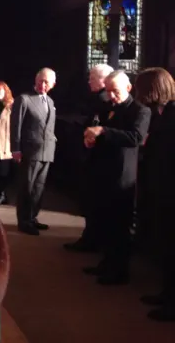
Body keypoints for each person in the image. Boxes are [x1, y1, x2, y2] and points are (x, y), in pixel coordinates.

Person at [82, 70, 150, 285]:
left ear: (129, 88)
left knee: (120, 226)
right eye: (109, 91)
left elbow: (135, 138)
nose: (111, 96)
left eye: (116, 91)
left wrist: (103, 131)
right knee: (105, 221)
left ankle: (119, 271)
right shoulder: (109, 107)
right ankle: (106, 263)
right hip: (104, 173)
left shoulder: (140, 110)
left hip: (123, 176)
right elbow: (102, 132)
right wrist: (92, 139)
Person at [133, 67, 175, 320]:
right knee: (165, 247)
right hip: (161, 189)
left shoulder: (172, 116)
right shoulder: (163, 114)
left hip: (170, 191)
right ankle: (166, 294)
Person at [65, 64, 114, 252]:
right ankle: (91, 238)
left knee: (93, 203)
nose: (88, 81)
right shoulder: (100, 99)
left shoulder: (103, 100)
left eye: (92, 78)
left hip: (95, 159)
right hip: (94, 157)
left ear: (103, 80)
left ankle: (91, 240)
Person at [10, 68, 57, 236]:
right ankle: (24, 221)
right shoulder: (24, 99)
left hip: (47, 151)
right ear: (35, 80)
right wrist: (15, 148)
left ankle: (32, 217)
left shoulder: (50, 102)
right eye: (40, 81)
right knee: (27, 186)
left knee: (39, 187)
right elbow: (15, 126)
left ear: (53, 84)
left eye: (46, 82)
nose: (43, 85)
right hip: (29, 150)